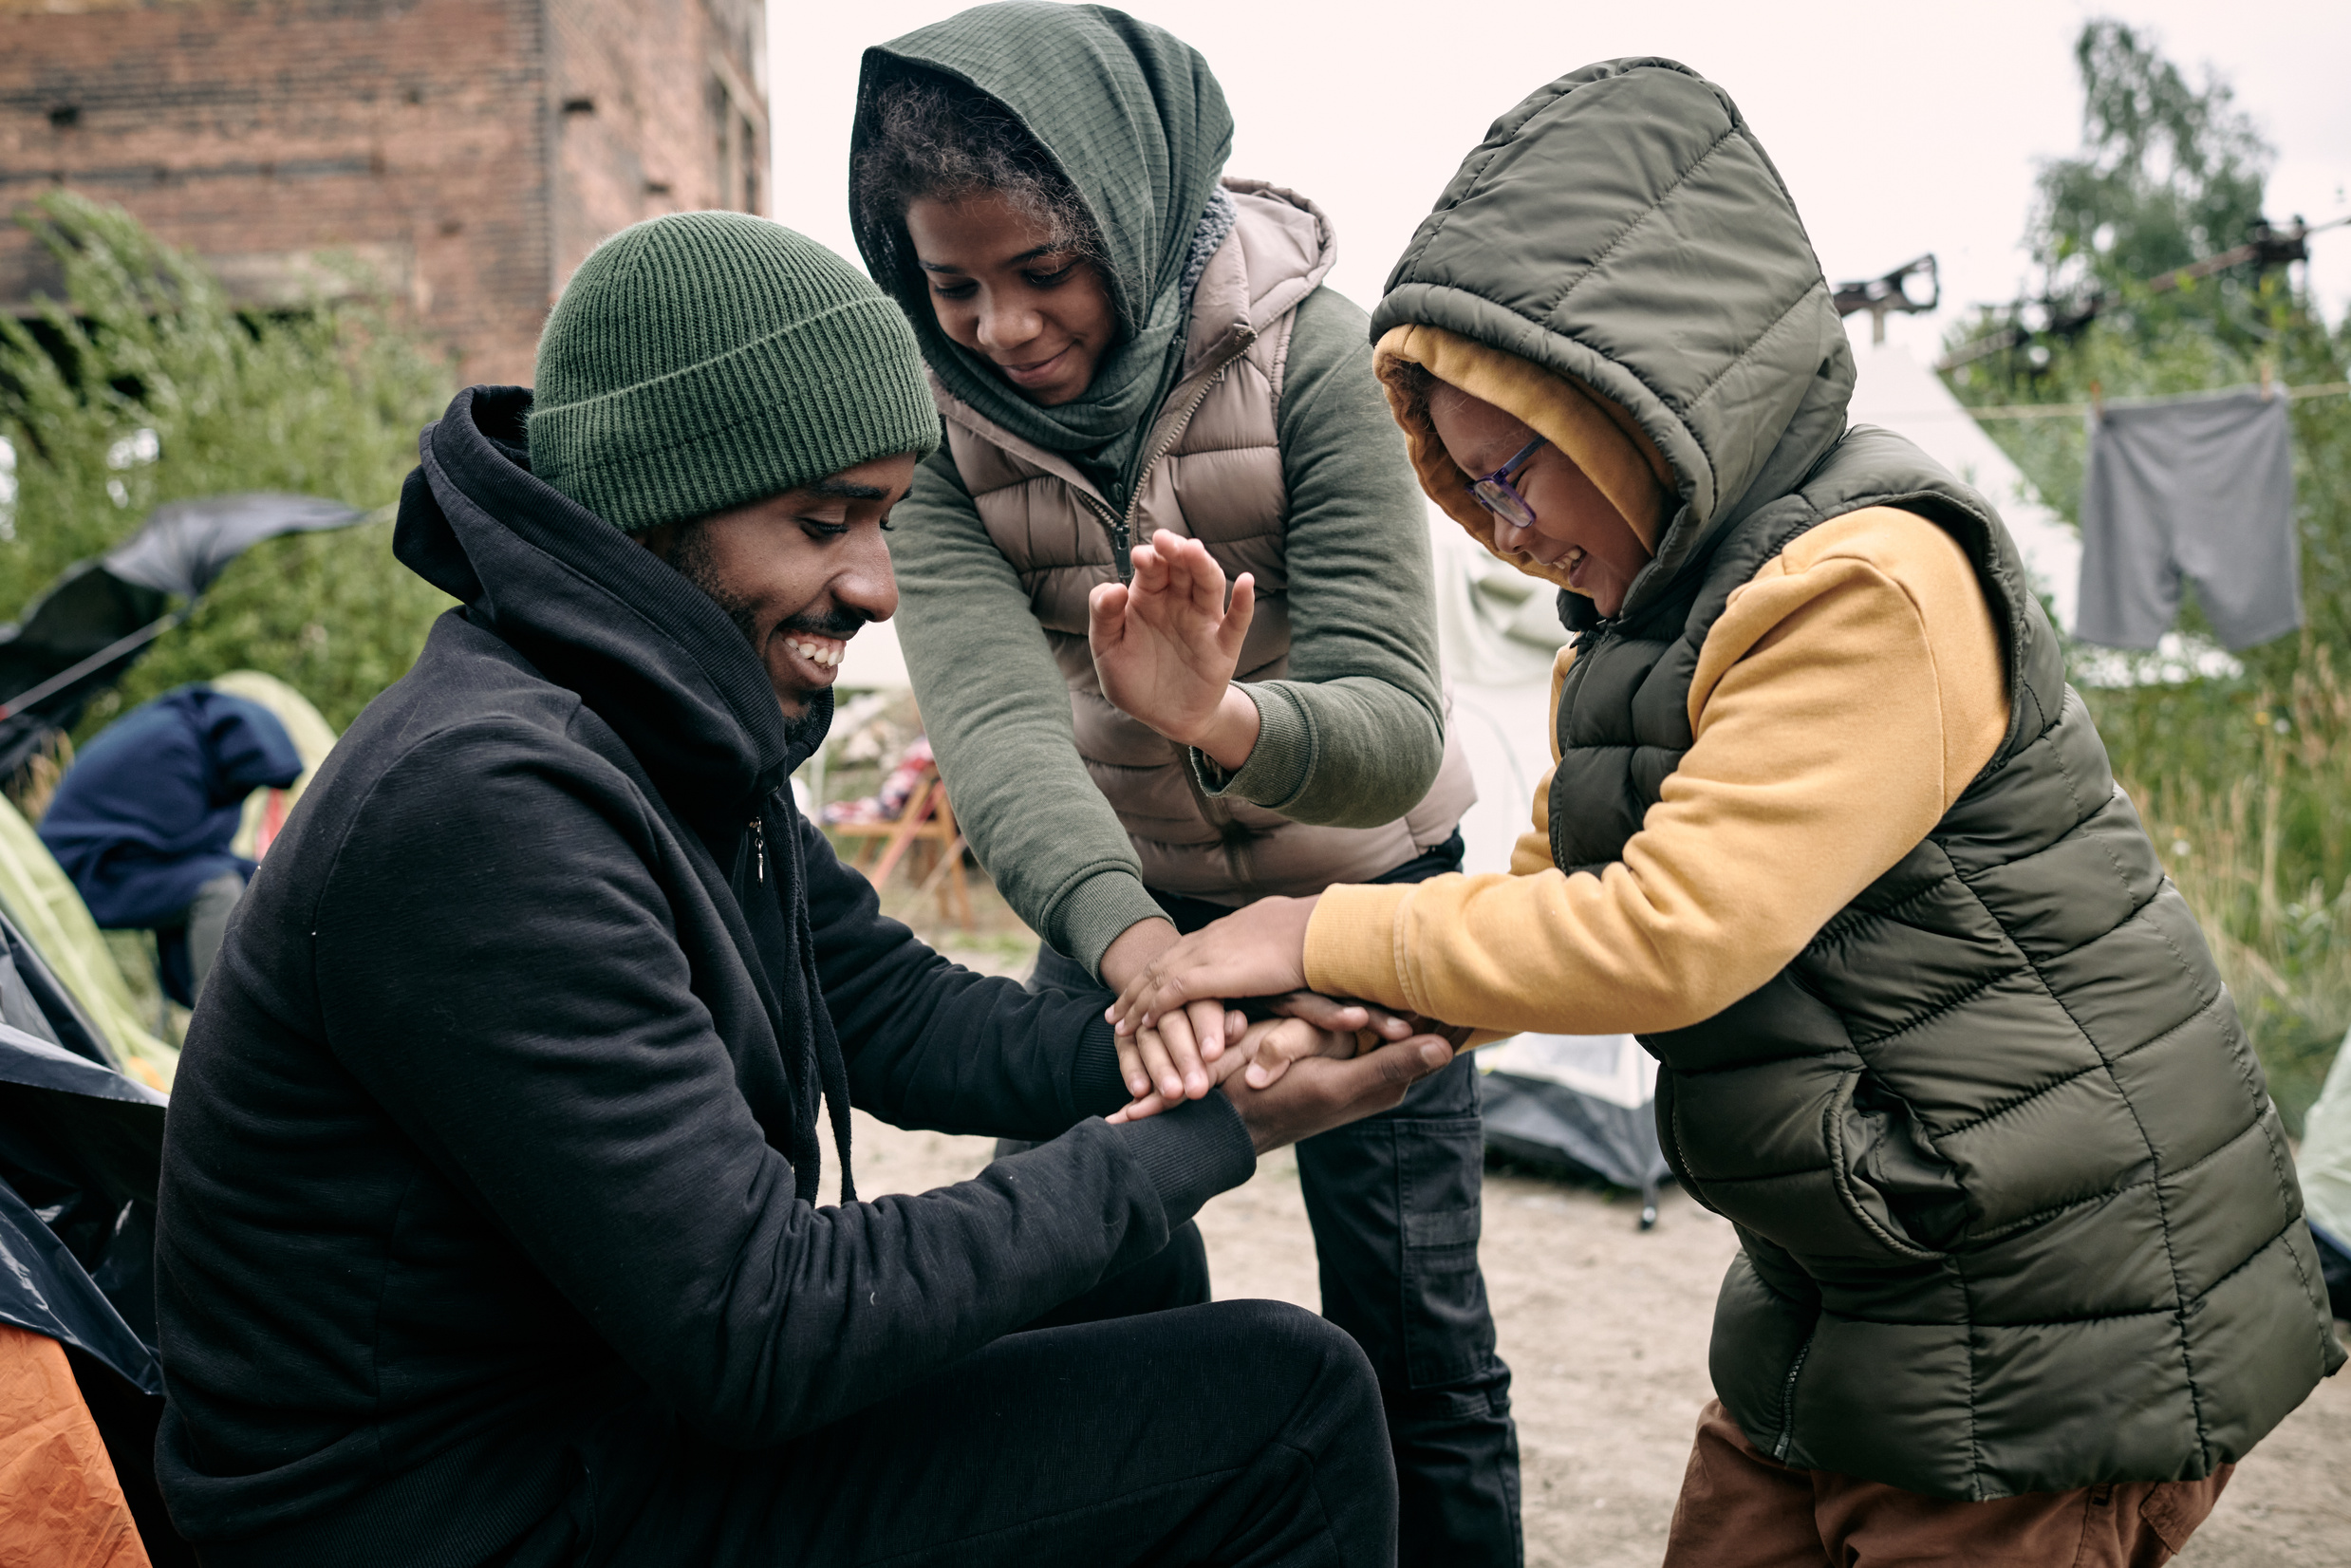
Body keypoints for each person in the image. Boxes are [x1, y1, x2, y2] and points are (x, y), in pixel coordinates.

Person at [1110, 58, 2345, 1568]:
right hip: (1858, 1260)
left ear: (1639, 387)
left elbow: (1668, 932)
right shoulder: (1653, 615)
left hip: (2043, 1292)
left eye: (1516, 468)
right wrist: (1346, 1008)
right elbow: (1560, 883)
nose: (1504, 528)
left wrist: (1314, 919)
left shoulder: (1866, 583)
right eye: (1470, 485)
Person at [150, 211, 1459, 1568]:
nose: (878, 585)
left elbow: (890, 1011)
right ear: (658, 507)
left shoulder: (657, 727)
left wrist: (1214, 1028)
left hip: (596, 1421)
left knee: (1126, 1270)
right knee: (1286, 1409)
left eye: (887, 520)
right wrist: (1214, 1131)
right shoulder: (486, 803)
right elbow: (758, 1327)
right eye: (822, 522)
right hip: (448, 1516)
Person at [849, 9, 1516, 1559]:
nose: (999, 327)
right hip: (1123, 895)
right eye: (950, 285)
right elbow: (1000, 721)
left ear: (1128, 215)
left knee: (1415, 1333)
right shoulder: (932, 428)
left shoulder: (1313, 353)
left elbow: (1393, 725)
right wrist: (1137, 952)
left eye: (1039, 272)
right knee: (1077, 1273)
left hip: (1369, 887)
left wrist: (1217, 715)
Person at [39, 683, 302, 1006]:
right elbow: (184, 844)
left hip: (128, 860)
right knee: (218, 888)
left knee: (258, 876)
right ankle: (221, 1018)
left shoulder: (198, 739)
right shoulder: (172, 747)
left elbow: (201, 844)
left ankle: (276, 1004)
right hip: (85, 871)